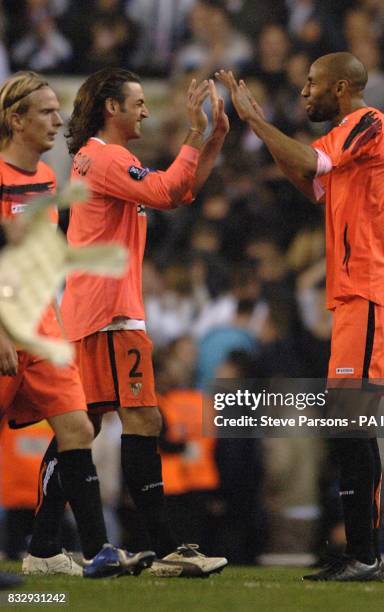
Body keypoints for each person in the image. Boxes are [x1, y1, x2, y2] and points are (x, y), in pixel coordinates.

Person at [217, 52, 384, 582]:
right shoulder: (348, 145)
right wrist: (263, 132)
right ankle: (359, 553)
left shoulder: (369, 123)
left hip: (376, 287)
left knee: (353, 424)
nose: (304, 92)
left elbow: (309, 164)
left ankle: (367, 554)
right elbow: (312, 184)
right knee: (348, 426)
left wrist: (257, 121)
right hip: (357, 293)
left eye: (312, 83)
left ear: (343, 87)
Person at [31, 67, 229, 578]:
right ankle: (166, 550)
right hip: (111, 314)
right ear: (110, 108)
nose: (145, 110)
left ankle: (42, 545)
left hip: (95, 311)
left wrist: (210, 141)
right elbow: (165, 192)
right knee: (143, 420)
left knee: (83, 426)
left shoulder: (107, 160)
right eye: (137, 102)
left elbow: (179, 191)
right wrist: (192, 131)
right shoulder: (104, 157)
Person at [0, 71, 155, 579]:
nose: (57, 120)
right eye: (45, 112)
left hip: (43, 328)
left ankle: (98, 552)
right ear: (15, 119)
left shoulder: (47, 178)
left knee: (77, 426)